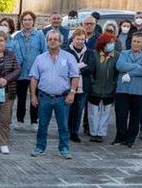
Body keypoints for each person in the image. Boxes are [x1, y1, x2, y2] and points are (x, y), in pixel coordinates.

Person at [29, 30, 80, 159]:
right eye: (50, 39)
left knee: (63, 125)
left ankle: (64, 149)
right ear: (47, 41)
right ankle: (40, 147)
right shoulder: (40, 58)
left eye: (55, 39)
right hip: (44, 97)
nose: (52, 41)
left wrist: (72, 93)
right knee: (42, 125)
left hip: (62, 98)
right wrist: (33, 95)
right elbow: (34, 78)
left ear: (60, 42)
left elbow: (75, 76)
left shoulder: (68, 57)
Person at [112, 32, 142, 148]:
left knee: (136, 116)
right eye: (134, 41)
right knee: (121, 114)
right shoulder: (124, 53)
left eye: (138, 41)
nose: (135, 44)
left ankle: (130, 139)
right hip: (123, 89)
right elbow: (119, 66)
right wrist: (137, 66)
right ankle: (120, 137)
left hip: (139, 91)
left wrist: (130, 73)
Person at [12, 11, 46, 130]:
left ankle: (34, 121)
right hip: (20, 73)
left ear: (33, 21)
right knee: (21, 98)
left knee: (35, 97)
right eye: (25, 20)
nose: (27, 22)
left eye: (29, 20)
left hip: (35, 73)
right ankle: (20, 121)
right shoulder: (16, 36)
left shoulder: (39, 35)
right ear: (21, 22)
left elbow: (44, 52)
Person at [65, 28, 96, 143]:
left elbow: (91, 68)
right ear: (73, 39)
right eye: (78, 39)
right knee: (68, 110)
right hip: (69, 86)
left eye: (82, 39)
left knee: (78, 110)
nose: (80, 41)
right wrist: (81, 66)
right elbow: (66, 68)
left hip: (84, 87)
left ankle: (74, 132)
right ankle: (65, 131)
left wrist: (76, 68)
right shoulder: (66, 52)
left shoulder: (90, 52)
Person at [87, 32, 119, 143]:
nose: (112, 45)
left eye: (113, 42)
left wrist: (114, 85)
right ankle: (93, 133)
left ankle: (101, 133)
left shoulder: (117, 56)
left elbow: (117, 73)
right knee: (93, 113)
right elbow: (91, 71)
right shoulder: (94, 54)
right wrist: (92, 83)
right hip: (95, 89)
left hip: (109, 90)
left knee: (106, 113)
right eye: (109, 43)